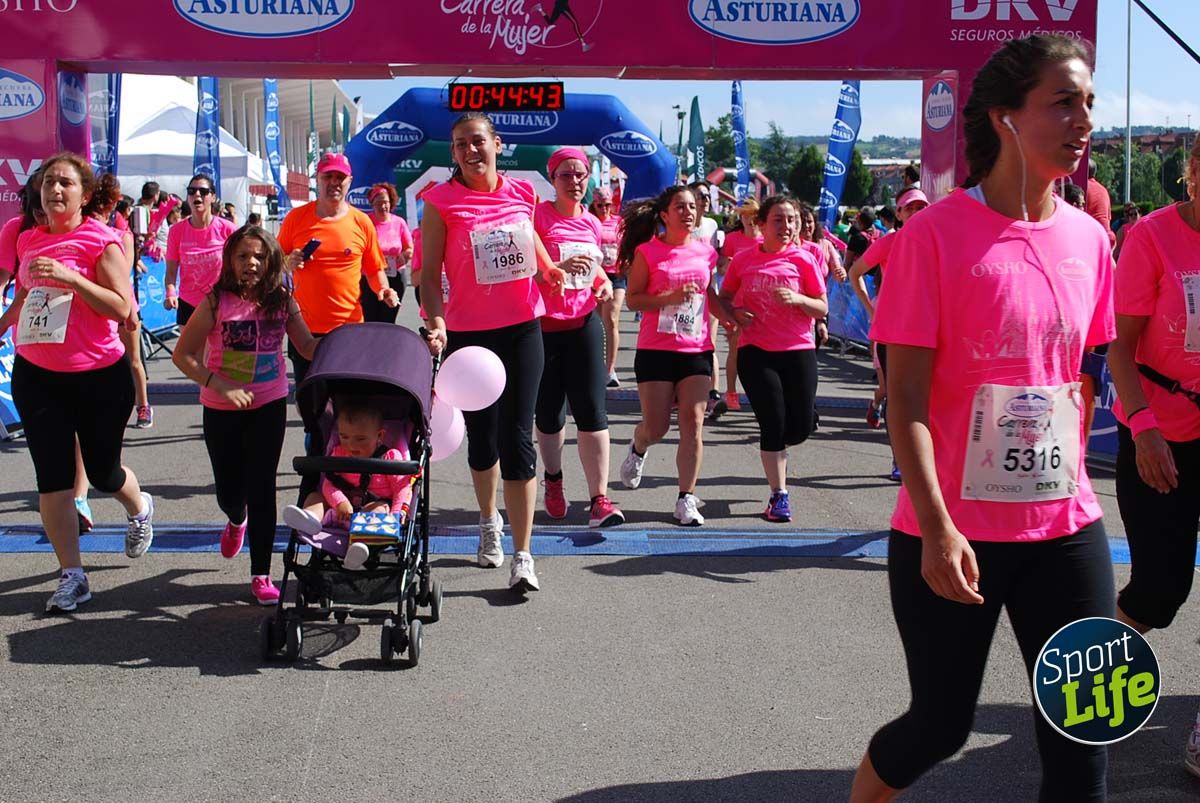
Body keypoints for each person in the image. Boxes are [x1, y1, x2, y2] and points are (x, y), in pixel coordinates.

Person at [850, 35, 1116, 802]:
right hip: (952, 531)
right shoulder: (931, 237)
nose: (1083, 120)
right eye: (1063, 102)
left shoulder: (1091, 239)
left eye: (1088, 103)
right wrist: (936, 525)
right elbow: (906, 398)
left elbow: (1079, 373)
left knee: (1084, 737)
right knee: (939, 726)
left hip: (1065, 527)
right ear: (1005, 118)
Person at [0, 152, 156, 613]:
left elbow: (123, 309)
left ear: (84, 196)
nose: (55, 189)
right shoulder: (28, 239)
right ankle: (73, 574)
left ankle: (139, 507)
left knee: (104, 473)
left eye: (65, 183)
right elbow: (25, 297)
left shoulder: (101, 240)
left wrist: (71, 277)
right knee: (53, 480)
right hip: (37, 375)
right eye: (49, 182)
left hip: (98, 377)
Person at [420, 112, 566, 593]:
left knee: (517, 438)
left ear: (497, 144)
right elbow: (429, 276)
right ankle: (488, 521)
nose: (470, 150)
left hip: (522, 329)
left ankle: (523, 555)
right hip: (468, 337)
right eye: (460, 144)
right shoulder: (440, 202)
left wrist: (549, 269)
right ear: (454, 152)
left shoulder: (523, 192)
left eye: (477, 141)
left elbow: (531, 239)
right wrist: (436, 320)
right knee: (483, 441)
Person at [1105, 137, 1200, 776]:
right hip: (1160, 433)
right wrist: (1143, 428)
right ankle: (1092, 676)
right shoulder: (1153, 237)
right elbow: (1119, 346)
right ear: (1193, 173)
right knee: (1160, 591)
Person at [173, 224, 318, 604]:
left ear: (271, 262)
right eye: (242, 256)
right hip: (221, 408)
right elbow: (183, 355)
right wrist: (219, 385)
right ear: (230, 261)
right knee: (229, 492)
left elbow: (305, 346)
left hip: (268, 404)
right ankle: (236, 519)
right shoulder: (215, 302)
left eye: (259, 256)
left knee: (262, 486)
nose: (251, 263)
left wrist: (344, 342)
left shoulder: (282, 299)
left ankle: (261, 574)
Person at [618, 185, 730, 526]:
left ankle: (685, 498)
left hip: (696, 349)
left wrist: (731, 317)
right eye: (680, 207)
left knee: (693, 424)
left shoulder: (706, 253)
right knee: (657, 427)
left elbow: (709, 294)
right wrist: (668, 298)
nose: (688, 212)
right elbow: (633, 299)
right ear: (665, 215)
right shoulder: (648, 252)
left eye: (692, 207)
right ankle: (638, 446)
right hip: (656, 349)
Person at [717, 196, 826, 522]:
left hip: (798, 350)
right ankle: (779, 495)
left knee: (800, 429)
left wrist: (798, 299)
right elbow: (724, 297)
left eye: (791, 220)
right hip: (756, 352)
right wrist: (735, 313)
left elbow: (821, 307)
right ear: (761, 224)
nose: (787, 226)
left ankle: (786, 440)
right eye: (778, 220)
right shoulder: (743, 260)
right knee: (772, 424)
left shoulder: (804, 259)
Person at [532, 147, 623, 528]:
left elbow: (596, 269)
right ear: (552, 179)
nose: (574, 182)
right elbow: (522, 270)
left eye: (580, 175)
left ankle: (599, 499)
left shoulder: (591, 222)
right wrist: (554, 269)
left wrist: (603, 285)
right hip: (543, 328)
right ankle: (553, 480)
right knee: (549, 415)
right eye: (566, 175)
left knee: (592, 412)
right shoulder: (537, 216)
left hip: (584, 323)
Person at [283, 396, 417, 570]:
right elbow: (328, 483)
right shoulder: (338, 453)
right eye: (344, 436)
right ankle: (311, 519)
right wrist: (340, 502)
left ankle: (358, 546)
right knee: (315, 496)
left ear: (379, 436)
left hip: (371, 508)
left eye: (360, 439)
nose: (351, 444)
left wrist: (396, 514)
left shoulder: (390, 457)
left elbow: (402, 489)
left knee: (378, 509)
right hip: (339, 510)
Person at [708, 198, 762, 422]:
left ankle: (760, 394)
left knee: (760, 353)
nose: (750, 220)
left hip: (761, 303)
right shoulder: (733, 239)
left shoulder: (765, 239)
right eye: (745, 216)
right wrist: (728, 264)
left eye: (754, 216)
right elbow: (720, 267)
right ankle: (731, 393)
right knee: (735, 349)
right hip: (737, 303)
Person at [165, 174, 237, 328]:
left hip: (221, 303)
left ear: (213, 197)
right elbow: (171, 271)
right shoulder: (176, 231)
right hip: (189, 304)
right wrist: (170, 293)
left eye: (203, 192)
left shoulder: (228, 229)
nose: (197, 195)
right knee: (190, 345)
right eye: (192, 191)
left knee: (223, 345)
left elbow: (239, 266)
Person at [363, 182, 413, 324]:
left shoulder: (399, 222)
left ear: (391, 203)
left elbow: (409, 249)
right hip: (370, 277)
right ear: (372, 204)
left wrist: (404, 256)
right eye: (378, 203)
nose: (383, 206)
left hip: (395, 277)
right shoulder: (366, 222)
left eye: (385, 202)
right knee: (370, 318)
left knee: (389, 319)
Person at [591, 186, 624, 387]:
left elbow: (627, 244)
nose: (604, 209)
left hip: (616, 275)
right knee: (597, 322)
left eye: (608, 205)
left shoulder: (619, 222)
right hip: (595, 276)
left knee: (611, 318)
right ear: (594, 204)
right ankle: (597, 365)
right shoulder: (590, 221)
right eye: (600, 205)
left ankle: (610, 369)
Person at [1085, 158, 1116, 247]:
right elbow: (1108, 217)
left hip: (1092, 238)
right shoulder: (1103, 190)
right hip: (1107, 238)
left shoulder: (1082, 187)